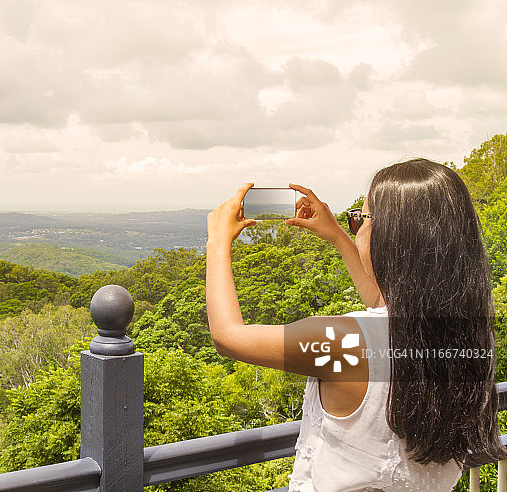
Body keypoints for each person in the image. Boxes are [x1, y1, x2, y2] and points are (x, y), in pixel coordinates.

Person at [205, 158, 506, 491]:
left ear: (391, 236)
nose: (356, 227)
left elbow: (228, 337)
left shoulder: (344, 343)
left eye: (360, 220)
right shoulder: (466, 334)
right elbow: (384, 305)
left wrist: (217, 242)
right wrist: (337, 235)